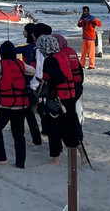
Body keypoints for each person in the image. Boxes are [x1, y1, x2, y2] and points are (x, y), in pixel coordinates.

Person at [33, 35, 84, 165]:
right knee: (70, 125)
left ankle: (55, 158)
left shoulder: (50, 60)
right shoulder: (62, 55)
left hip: (59, 98)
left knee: (54, 128)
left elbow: (58, 77)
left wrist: (47, 80)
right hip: (70, 96)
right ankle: (82, 154)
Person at [0, 41, 34, 168]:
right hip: (21, 104)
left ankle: (1, 159)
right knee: (18, 134)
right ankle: (20, 163)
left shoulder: (0, 65)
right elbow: (33, 70)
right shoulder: (20, 64)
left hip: (4, 105)